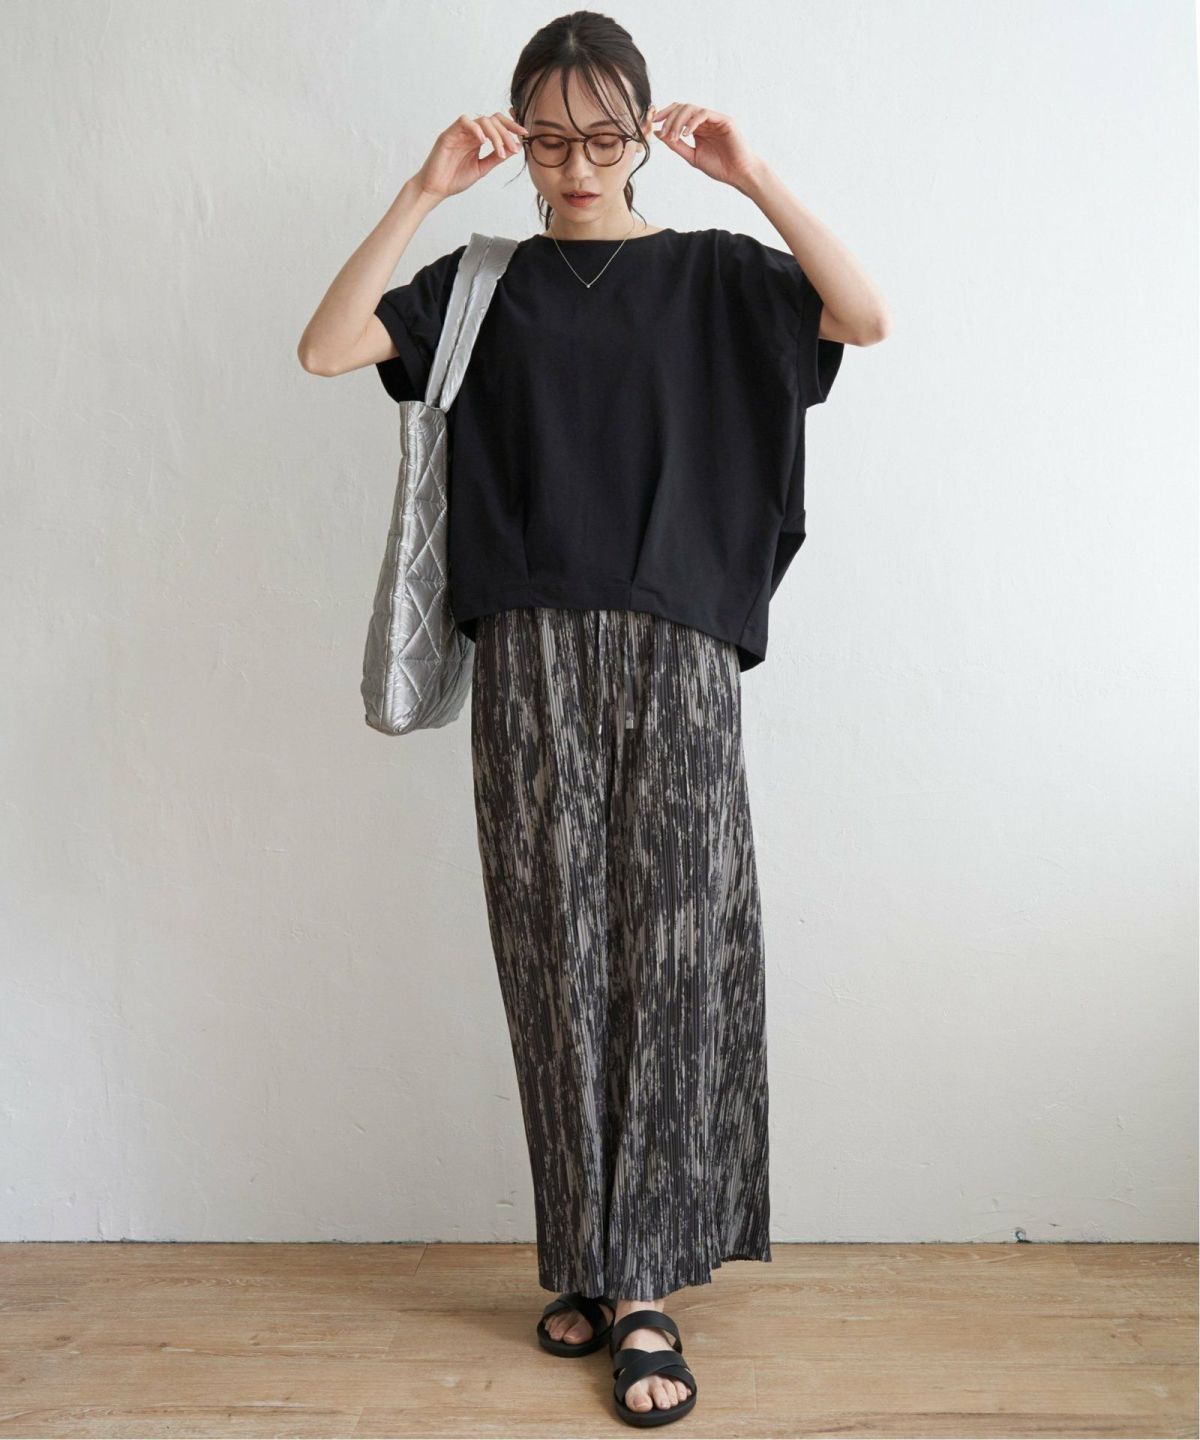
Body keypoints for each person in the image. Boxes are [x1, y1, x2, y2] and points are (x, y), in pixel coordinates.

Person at [298, 10, 891, 1427]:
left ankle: (643, 1288)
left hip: (678, 651)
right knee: (552, 957)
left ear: (644, 133)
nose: (578, 164)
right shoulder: (481, 287)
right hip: (525, 655)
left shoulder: (716, 274)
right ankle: (585, 1250)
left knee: (670, 961)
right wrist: (424, 190)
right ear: (519, 138)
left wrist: (755, 175)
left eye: (606, 135)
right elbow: (325, 348)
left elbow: (863, 318)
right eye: (552, 139)